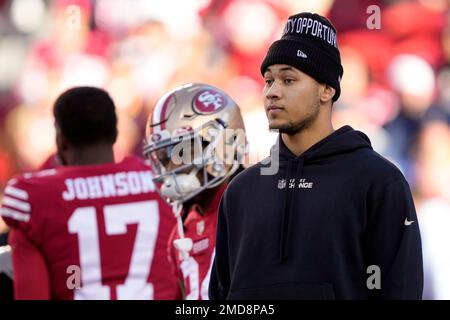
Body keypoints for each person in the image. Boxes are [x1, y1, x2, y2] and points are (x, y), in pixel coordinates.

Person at [209, 12, 423, 300]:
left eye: (288, 79)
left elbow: (400, 291)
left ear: (326, 89)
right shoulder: (240, 191)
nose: (272, 92)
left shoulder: (379, 182)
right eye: (268, 80)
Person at [0, 86, 179, 299]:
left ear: (60, 139)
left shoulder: (34, 195)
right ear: (115, 134)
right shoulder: (161, 181)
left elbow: (35, 293)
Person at [143, 83, 247, 300]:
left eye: (182, 151)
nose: (172, 167)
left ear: (223, 143)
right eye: (165, 156)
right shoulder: (182, 228)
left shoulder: (251, 209)